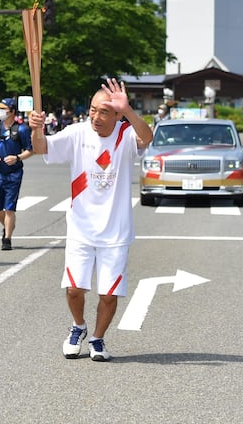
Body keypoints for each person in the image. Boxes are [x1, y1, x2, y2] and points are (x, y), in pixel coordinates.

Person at [27, 79, 153, 363]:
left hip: (115, 231)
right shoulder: (77, 133)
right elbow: (42, 147)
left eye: (105, 112)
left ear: (118, 115)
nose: (96, 117)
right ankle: (78, 326)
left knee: (108, 295)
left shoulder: (125, 135)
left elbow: (147, 137)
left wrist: (129, 111)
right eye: (93, 110)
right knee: (74, 289)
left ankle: (97, 338)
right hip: (81, 228)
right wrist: (37, 128)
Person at [0, 98, 33, 250]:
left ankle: (7, 239)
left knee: (9, 208)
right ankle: (8, 225)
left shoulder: (22, 129)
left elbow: (30, 150)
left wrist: (17, 157)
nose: (0, 112)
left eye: (3, 108)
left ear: (11, 111)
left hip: (14, 173)